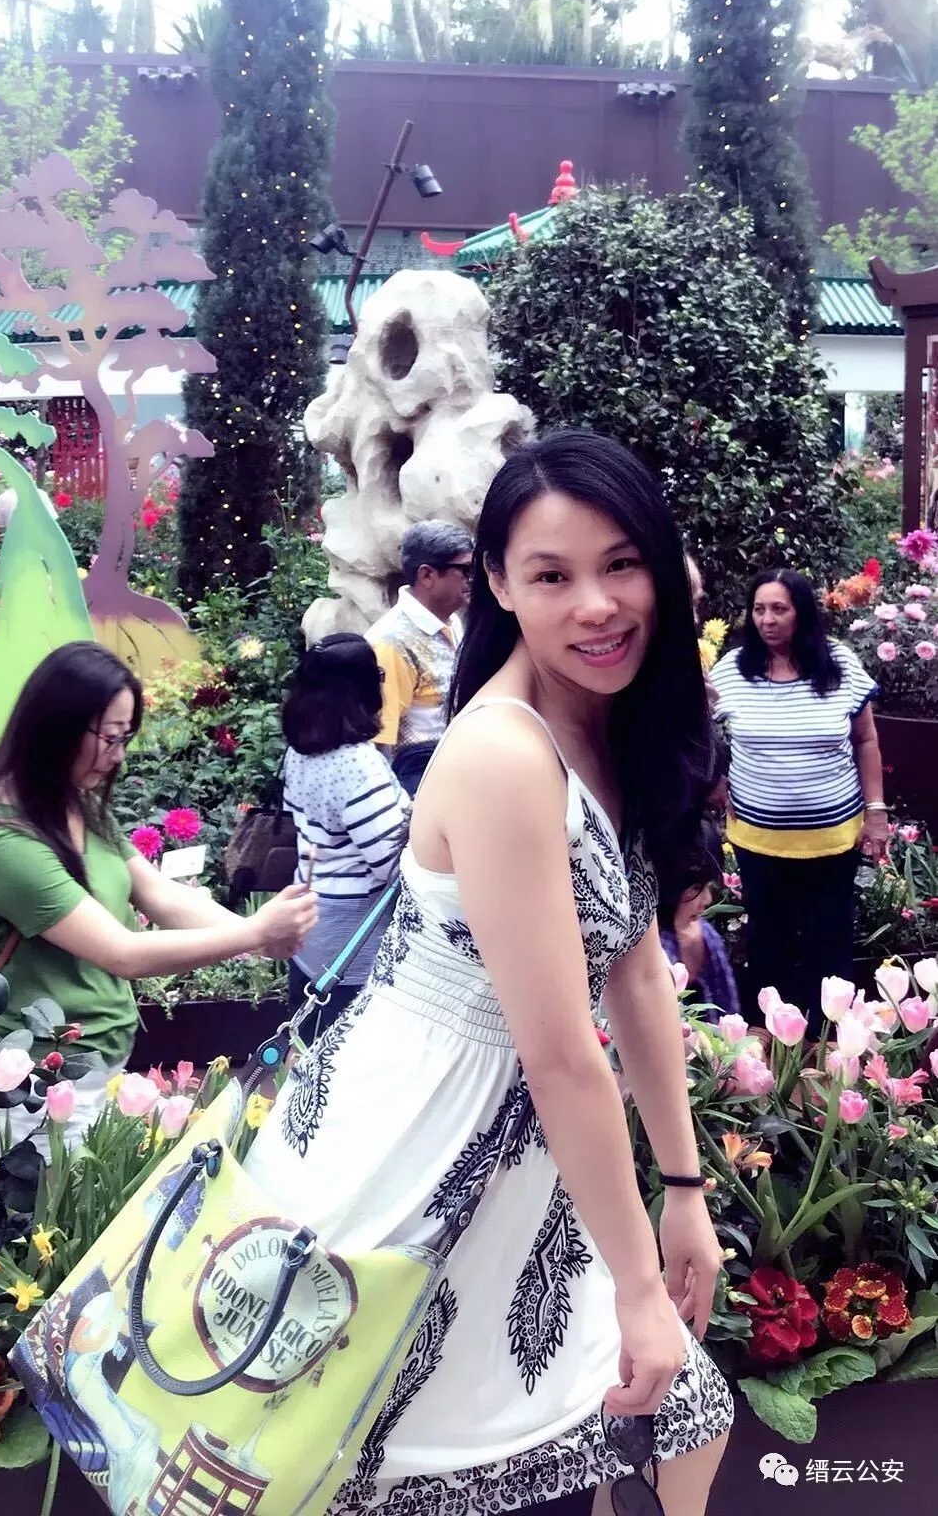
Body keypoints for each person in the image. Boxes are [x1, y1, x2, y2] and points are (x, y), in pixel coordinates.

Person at [248, 432, 731, 1516]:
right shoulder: (506, 753)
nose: (596, 605)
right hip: (425, 1141)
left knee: (672, 1422)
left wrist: (685, 1188)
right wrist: (639, 1285)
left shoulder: (600, 726)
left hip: (524, 1150)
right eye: (551, 576)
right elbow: (561, 1054)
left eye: (620, 564)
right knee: (388, 1462)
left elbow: (635, 972)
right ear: (499, 587)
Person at [0, 640, 317, 1153]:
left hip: (98, 1067)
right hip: (41, 1085)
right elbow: (123, 953)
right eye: (110, 737)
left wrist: (257, 938)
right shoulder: (5, 846)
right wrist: (255, 932)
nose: (119, 754)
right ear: (56, 725)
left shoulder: (76, 805)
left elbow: (161, 895)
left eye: (126, 737)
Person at [709, 570, 885, 1029]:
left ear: (801, 612)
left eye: (779, 609)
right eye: (759, 609)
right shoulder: (734, 669)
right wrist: (712, 780)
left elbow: (866, 740)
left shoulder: (838, 663)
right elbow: (692, 726)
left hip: (832, 840)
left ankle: (831, 1043)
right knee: (768, 940)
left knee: (829, 940)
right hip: (758, 841)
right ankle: (771, 1039)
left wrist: (876, 812)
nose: (766, 620)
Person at [281, 634, 411, 1042]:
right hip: (354, 942)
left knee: (308, 1047)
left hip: (311, 924)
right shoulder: (358, 765)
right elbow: (394, 865)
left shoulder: (301, 750)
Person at [367, 520, 473, 795]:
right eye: (465, 570)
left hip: (454, 770)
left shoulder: (451, 622)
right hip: (418, 785)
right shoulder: (391, 643)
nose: (473, 579)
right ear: (427, 575)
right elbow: (378, 743)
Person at [658, 822, 741, 1017]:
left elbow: (726, 1012)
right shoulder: (639, 954)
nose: (708, 899)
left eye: (708, 886)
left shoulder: (706, 937)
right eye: (696, 887)